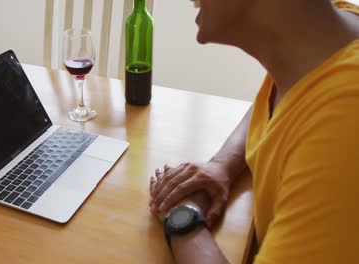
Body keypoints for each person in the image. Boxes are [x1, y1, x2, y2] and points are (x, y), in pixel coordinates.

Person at [149, 0, 359, 263]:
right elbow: (285, 97)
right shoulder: (323, 41)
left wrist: (183, 219)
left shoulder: (345, 118)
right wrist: (221, 165)